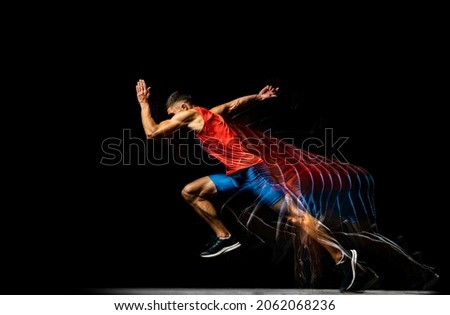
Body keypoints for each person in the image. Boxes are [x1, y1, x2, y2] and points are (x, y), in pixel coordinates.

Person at [135, 79, 381, 292]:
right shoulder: (208, 114)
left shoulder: (188, 114)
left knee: (296, 217)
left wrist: (144, 104)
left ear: (184, 107)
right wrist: (258, 97)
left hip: (254, 174)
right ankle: (225, 237)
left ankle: (344, 259)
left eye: (172, 114)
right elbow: (234, 104)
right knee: (191, 191)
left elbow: (152, 133)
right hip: (237, 175)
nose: (173, 120)